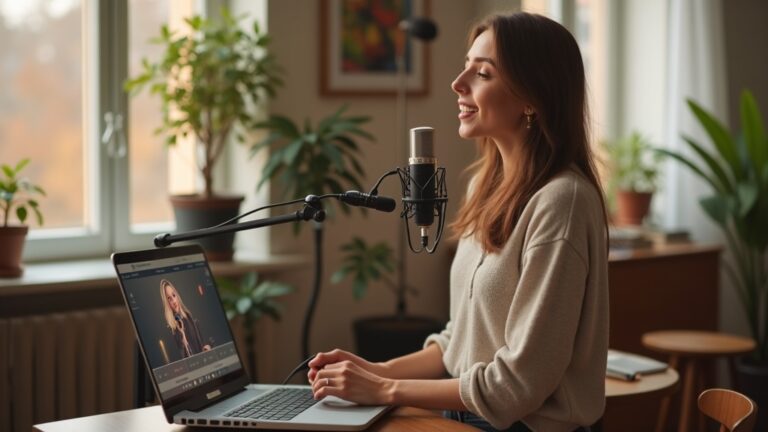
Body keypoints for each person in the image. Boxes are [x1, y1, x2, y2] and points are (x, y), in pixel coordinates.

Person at [307, 12, 609, 432]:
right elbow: (460, 343)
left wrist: (386, 388)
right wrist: (377, 370)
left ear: (532, 98)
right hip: (468, 416)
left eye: (482, 73)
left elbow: (517, 385)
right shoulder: (485, 191)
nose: (458, 82)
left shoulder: (562, 202)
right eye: (466, 64)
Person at [160, 278, 211, 360]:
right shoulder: (171, 329)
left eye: (174, 295)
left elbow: (200, 342)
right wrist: (182, 338)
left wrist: (205, 347)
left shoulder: (188, 316)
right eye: (169, 298)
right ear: (166, 302)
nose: (174, 301)